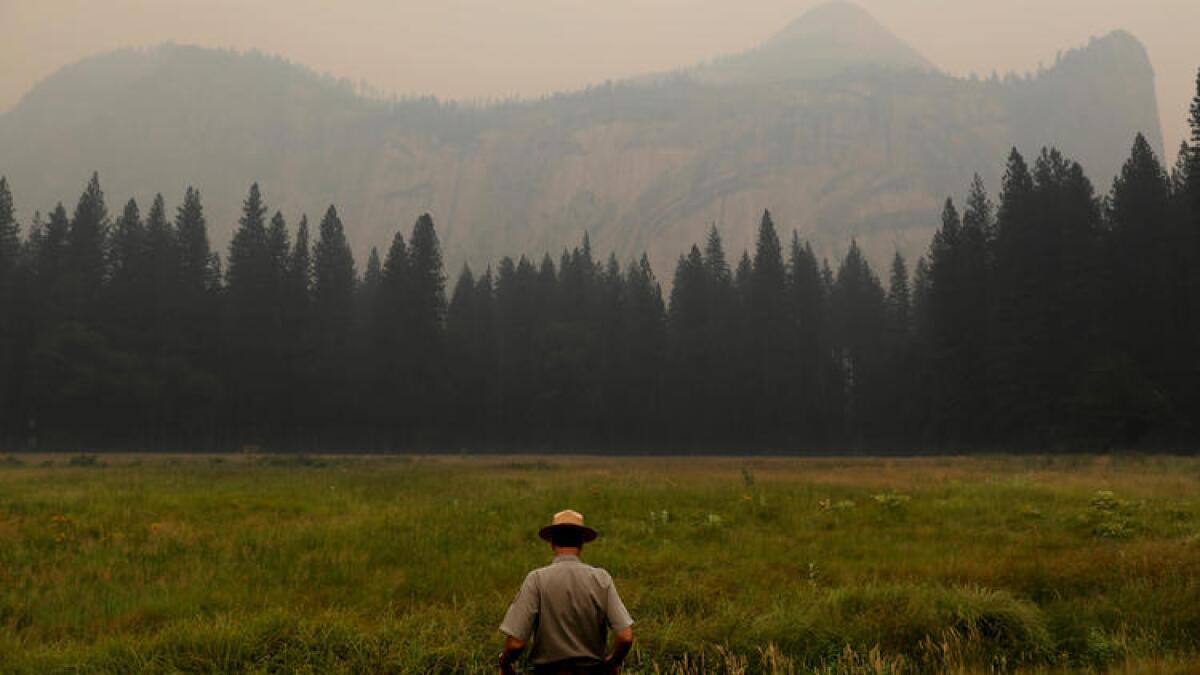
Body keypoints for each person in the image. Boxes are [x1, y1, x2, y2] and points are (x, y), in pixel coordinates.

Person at [498, 510, 635, 675]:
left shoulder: (536, 579)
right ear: (582, 544)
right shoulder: (601, 579)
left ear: (552, 542)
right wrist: (612, 662)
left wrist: (505, 664)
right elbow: (625, 637)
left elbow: (515, 644)